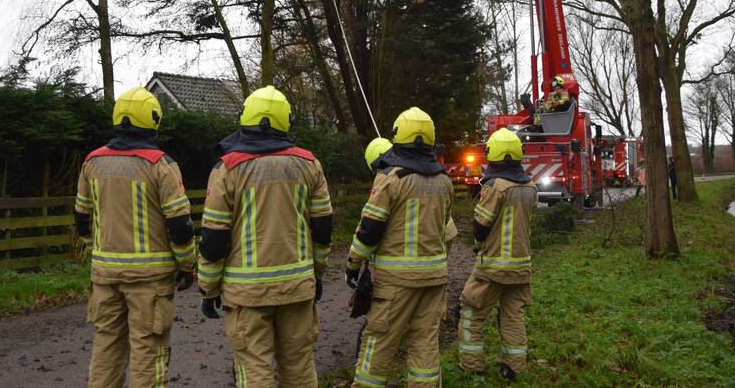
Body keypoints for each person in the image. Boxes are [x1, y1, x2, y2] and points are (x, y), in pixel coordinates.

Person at [197, 85, 332, 388]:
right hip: (297, 287)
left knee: (254, 369)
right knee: (299, 369)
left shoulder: (227, 168)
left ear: (245, 118)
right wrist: (317, 274)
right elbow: (323, 229)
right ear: (286, 121)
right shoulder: (310, 165)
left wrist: (208, 288)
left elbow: (213, 238)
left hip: (247, 293)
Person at [74, 86, 195, 388]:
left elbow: (81, 219)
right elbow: (180, 225)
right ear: (153, 119)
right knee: (148, 353)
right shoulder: (160, 165)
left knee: (106, 350)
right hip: (149, 281)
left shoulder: (92, 162)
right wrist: (186, 265)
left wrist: (96, 251)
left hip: (105, 276)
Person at [346, 107, 454, 388]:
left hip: (396, 283)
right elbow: (446, 229)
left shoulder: (391, 178)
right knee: (425, 343)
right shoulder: (444, 180)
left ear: (398, 136)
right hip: (434, 280)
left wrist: (353, 264)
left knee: (379, 342)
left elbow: (369, 228)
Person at [458, 127, 538, 382]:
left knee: (471, 313)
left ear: (492, 153)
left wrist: (478, 243)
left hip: (492, 267)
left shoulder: (495, 187)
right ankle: (514, 367)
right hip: (521, 266)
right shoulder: (530, 187)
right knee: (513, 316)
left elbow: (481, 225)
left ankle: (472, 367)